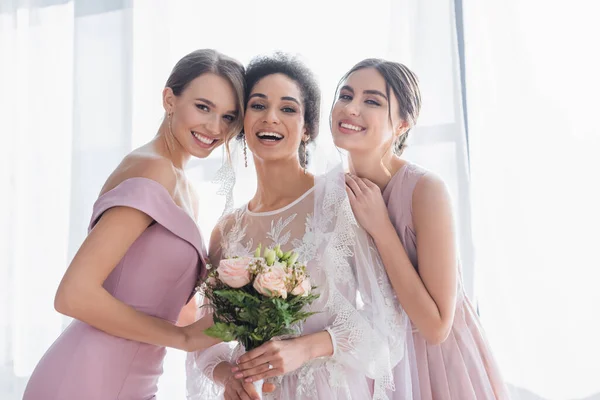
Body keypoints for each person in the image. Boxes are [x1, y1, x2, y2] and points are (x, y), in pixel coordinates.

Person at [23, 49, 246, 400]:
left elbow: (175, 310)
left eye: (228, 116)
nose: (215, 127)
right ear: (169, 99)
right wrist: (182, 340)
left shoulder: (185, 188)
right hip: (87, 379)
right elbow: (73, 295)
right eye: (203, 107)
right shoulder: (153, 169)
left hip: (135, 380)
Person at [186, 53, 408, 400]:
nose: (271, 118)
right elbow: (203, 338)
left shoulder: (340, 201)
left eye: (288, 109)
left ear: (307, 129)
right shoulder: (227, 230)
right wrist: (229, 376)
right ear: (242, 122)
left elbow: (390, 327)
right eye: (258, 106)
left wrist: (308, 347)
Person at [333, 58, 510, 399]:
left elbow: (436, 326)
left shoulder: (425, 190)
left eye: (372, 101)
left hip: (442, 366)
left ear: (402, 124)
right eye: (345, 95)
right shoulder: (334, 192)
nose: (351, 108)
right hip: (381, 363)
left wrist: (381, 227)